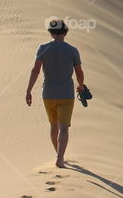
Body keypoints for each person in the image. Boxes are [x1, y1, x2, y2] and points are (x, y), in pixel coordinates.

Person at [26, 18, 87, 168]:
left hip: (48, 94)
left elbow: (35, 70)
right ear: (65, 32)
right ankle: (60, 158)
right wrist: (81, 86)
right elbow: (79, 72)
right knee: (63, 127)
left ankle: (58, 155)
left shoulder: (42, 48)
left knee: (53, 126)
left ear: (51, 33)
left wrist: (28, 90)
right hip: (66, 94)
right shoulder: (72, 50)